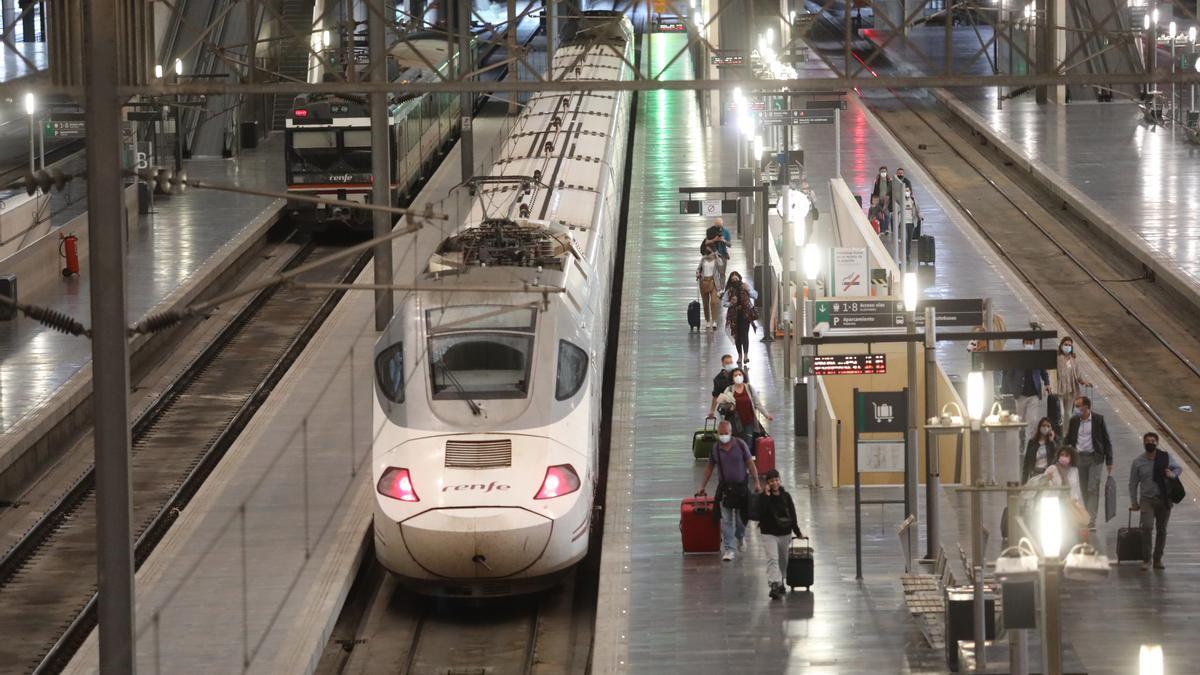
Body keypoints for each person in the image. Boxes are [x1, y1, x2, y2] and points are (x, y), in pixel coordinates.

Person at [697, 420, 762, 561]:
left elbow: (750, 462)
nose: (723, 436)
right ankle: (729, 549)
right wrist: (702, 486)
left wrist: (757, 481)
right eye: (721, 434)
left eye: (726, 433)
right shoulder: (715, 449)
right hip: (725, 490)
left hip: (741, 489)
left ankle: (740, 536)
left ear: (731, 433)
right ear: (717, 434)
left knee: (741, 519)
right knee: (726, 520)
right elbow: (709, 469)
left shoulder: (740, 445)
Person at [1129, 432, 1183, 570]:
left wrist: (1173, 474)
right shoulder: (1138, 462)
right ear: (1144, 443)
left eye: (1153, 441)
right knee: (1146, 527)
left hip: (1164, 499)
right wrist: (1134, 502)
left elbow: (1178, 468)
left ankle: (1157, 558)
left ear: (1157, 443)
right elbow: (1133, 483)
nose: (1150, 443)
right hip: (1147, 500)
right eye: (1148, 441)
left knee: (1162, 530)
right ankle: (1146, 559)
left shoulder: (1165, 457)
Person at [1064, 395, 1113, 528]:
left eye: (1079, 406)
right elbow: (1068, 438)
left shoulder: (1098, 419)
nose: (1076, 408)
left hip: (1095, 458)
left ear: (1086, 406)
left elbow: (1106, 440)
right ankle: (1085, 515)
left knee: (1093, 488)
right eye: (1076, 406)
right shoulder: (1074, 421)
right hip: (1079, 458)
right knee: (1083, 488)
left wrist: (1109, 460)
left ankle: (1091, 518)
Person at [755, 469, 804, 599]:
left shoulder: (786, 496)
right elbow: (759, 513)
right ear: (767, 483)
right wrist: (766, 495)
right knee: (772, 559)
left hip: (784, 533)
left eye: (776, 479)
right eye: (771, 481)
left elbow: (792, 515)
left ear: (780, 480)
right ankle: (774, 585)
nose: (774, 483)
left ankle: (781, 580)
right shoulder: (763, 497)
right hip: (768, 533)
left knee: (783, 560)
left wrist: (797, 532)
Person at [1002, 338, 1051, 441]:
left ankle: (1030, 443)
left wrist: (1047, 384)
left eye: (1031, 343)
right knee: (1020, 419)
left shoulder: (1037, 357)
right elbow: (1009, 375)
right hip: (1020, 394)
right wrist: (1012, 388)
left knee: (1032, 420)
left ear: (1034, 344)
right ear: (1023, 344)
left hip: (1034, 394)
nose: (1029, 344)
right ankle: (1020, 440)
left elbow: (1043, 372)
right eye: (1027, 342)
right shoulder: (1017, 357)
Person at [718, 367, 772, 452]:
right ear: (732, 378)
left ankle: (746, 462)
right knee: (735, 445)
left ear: (743, 376)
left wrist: (766, 415)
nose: (738, 376)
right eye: (735, 375)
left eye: (740, 374)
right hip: (734, 423)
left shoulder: (749, 388)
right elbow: (722, 406)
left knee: (748, 444)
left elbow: (757, 403)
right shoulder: (729, 389)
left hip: (748, 421)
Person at [1053, 336, 1091, 434]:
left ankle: (1066, 434)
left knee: (1068, 414)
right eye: (1066, 344)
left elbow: (1078, 375)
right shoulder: (1057, 358)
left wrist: (1084, 382)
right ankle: (1059, 433)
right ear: (1061, 345)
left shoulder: (1073, 360)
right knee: (1060, 413)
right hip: (1059, 390)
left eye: (1069, 345)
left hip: (1071, 390)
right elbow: (1052, 373)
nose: (1068, 346)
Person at [723, 272, 757, 365]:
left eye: (736, 279)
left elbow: (755, 295)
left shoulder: (745, 286)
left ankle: (746, 355)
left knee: (745, 334)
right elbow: (724, 302)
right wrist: (731, 303)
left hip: (745, 314)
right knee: (737, 336)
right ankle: (740, 355)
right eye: (733, 280)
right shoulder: (729, 290)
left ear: (739, 278)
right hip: (734, 315)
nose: (735, 281)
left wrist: (748, 290)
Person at [1022, 417, 1058, 483]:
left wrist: (1052, 441)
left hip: (1047, 474)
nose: (1045, 428)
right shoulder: (1032, 442)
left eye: (1048, 426)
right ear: (1039, 427)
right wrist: (1023, 483)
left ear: (1051, 428)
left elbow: (1057, 456)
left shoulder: (1053, 442)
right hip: (1034, 474)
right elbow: (1026, 463)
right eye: (1043, 425)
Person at [695, 244, 721, 330]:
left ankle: (714, 321)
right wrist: (698, 273)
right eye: (707, 251)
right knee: (705, 303)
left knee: (714, 302)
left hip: (713, 282)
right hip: (703, 282)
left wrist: (717, 256)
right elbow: (698, 268)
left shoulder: (716, 259)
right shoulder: (703, 259)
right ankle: (707, 320)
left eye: (709, 251)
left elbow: (721, 265)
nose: (708, 253)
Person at [707, 354, 739, 419]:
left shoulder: (738, 374)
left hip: (740, 406)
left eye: (731, 362)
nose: (729, 364)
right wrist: (712, 411)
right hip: (726, 409)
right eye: (727, 363)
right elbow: (716, 395)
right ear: (723, 364)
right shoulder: (718, 379)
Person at [704, 217, 732, 290]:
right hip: (713, 255)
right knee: (713, 273)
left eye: (720, 226)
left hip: (722, 255)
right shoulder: (711, 231)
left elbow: (730, 245)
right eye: (717, 226)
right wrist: (715, 239)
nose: (719, 228)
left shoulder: (726, 232)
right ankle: (714, 289)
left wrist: (724, 240)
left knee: (722, 273)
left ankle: (721, 289)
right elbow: (706, 242)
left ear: (722, 224)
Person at [901, 184, 921, 250]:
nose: (907, 192)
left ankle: (908, 254)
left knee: (909, 240)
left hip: (911, 223)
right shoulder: (901, 200)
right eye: (905, 191)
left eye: (908, 191)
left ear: (910, 192)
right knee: (905, 238)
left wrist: (919, 216)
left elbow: (918, 209)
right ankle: (904, 253)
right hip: (903, 222)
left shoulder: (913, 201)